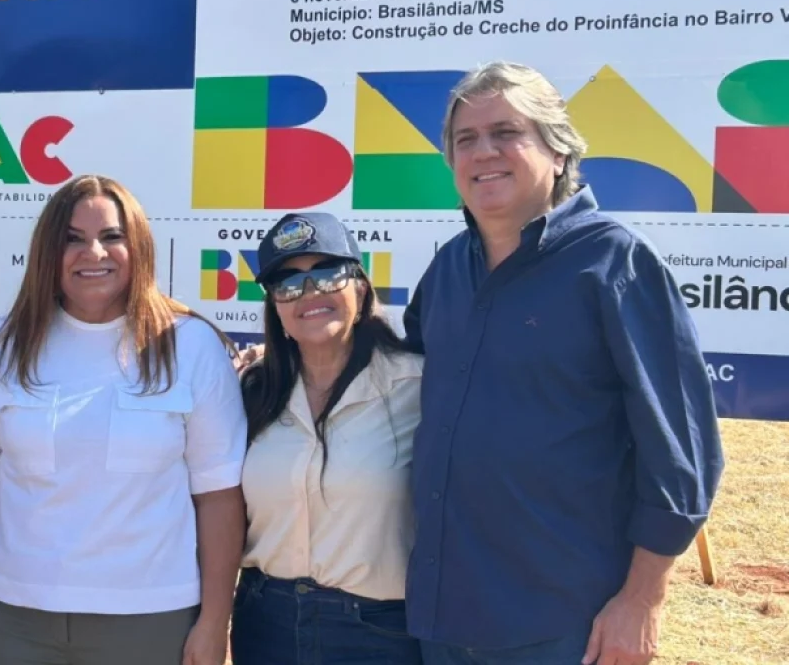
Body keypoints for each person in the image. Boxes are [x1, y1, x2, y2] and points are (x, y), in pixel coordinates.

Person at [401, 61, 725, 665]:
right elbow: (399, 374)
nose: (483, 152)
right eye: (466, 139)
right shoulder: (447, 268)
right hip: (442, 614)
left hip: (563, 622)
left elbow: (681, 453)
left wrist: (642, 599)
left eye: (506, 132)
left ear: (557, 151)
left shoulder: (614, 263)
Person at [0, 174, 248, 665]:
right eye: (73, 239)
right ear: (47, 251)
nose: (93, 253)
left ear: (139, 246)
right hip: (13, 619)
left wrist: (214, 621)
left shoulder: (190, 346)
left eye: (112, 236)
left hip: (153, 620)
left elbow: (219, 499)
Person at [229, 212, 426, 665]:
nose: (310, 292)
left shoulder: (419, 387)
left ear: (360, 287)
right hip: (264, 624)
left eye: (327, 273)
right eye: (288, 283)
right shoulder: (253, 392)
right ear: (275, 308)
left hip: (379, 633)